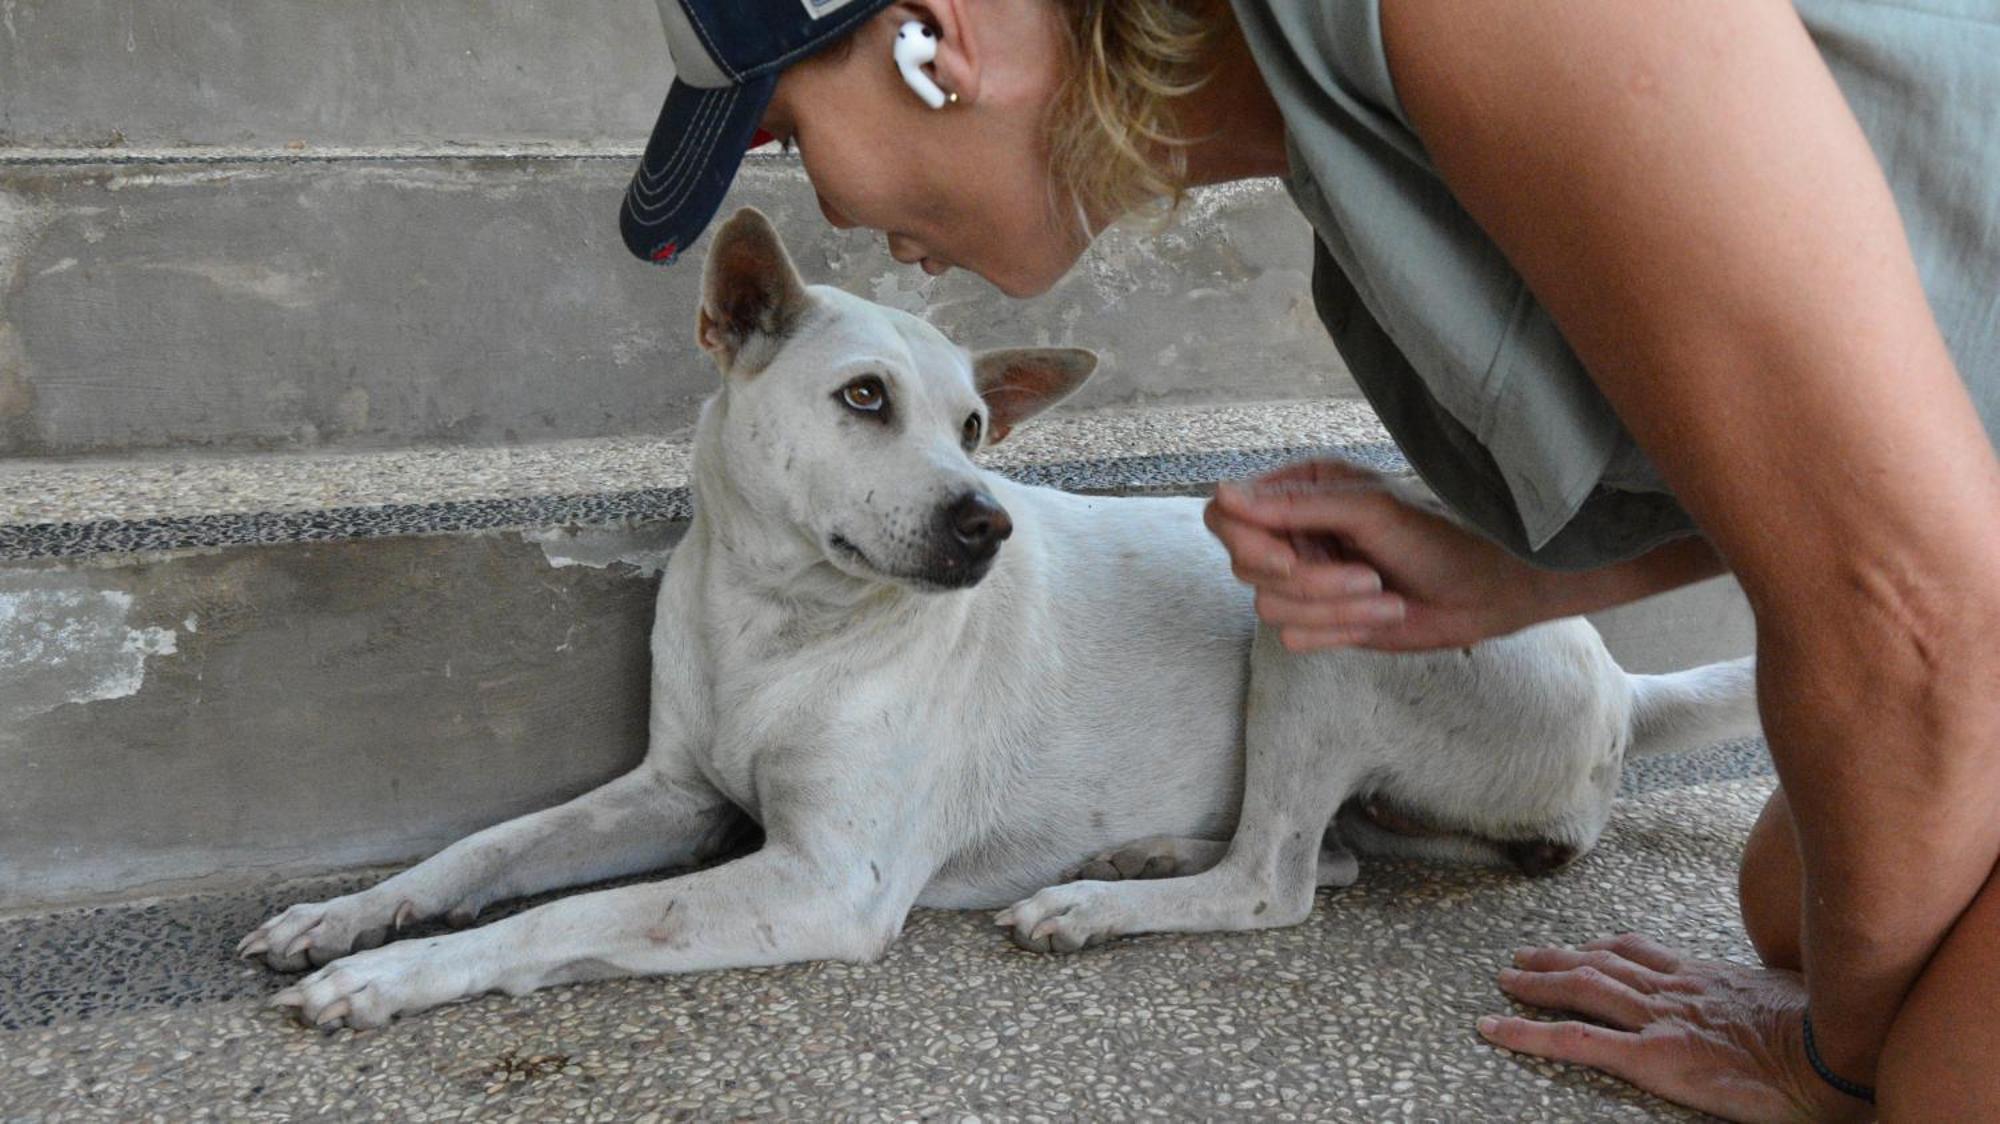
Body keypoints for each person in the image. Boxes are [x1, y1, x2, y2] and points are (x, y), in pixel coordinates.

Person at [620, 1, 2000, 1118]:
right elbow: (1828, 473)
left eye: (793, 140)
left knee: (1925, 1069)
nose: (841, 222)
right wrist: (1529, 585)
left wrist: (1825, 1060)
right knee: (1799, 911)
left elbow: (1913, 604)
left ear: (935, 40)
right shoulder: (1347, 164)